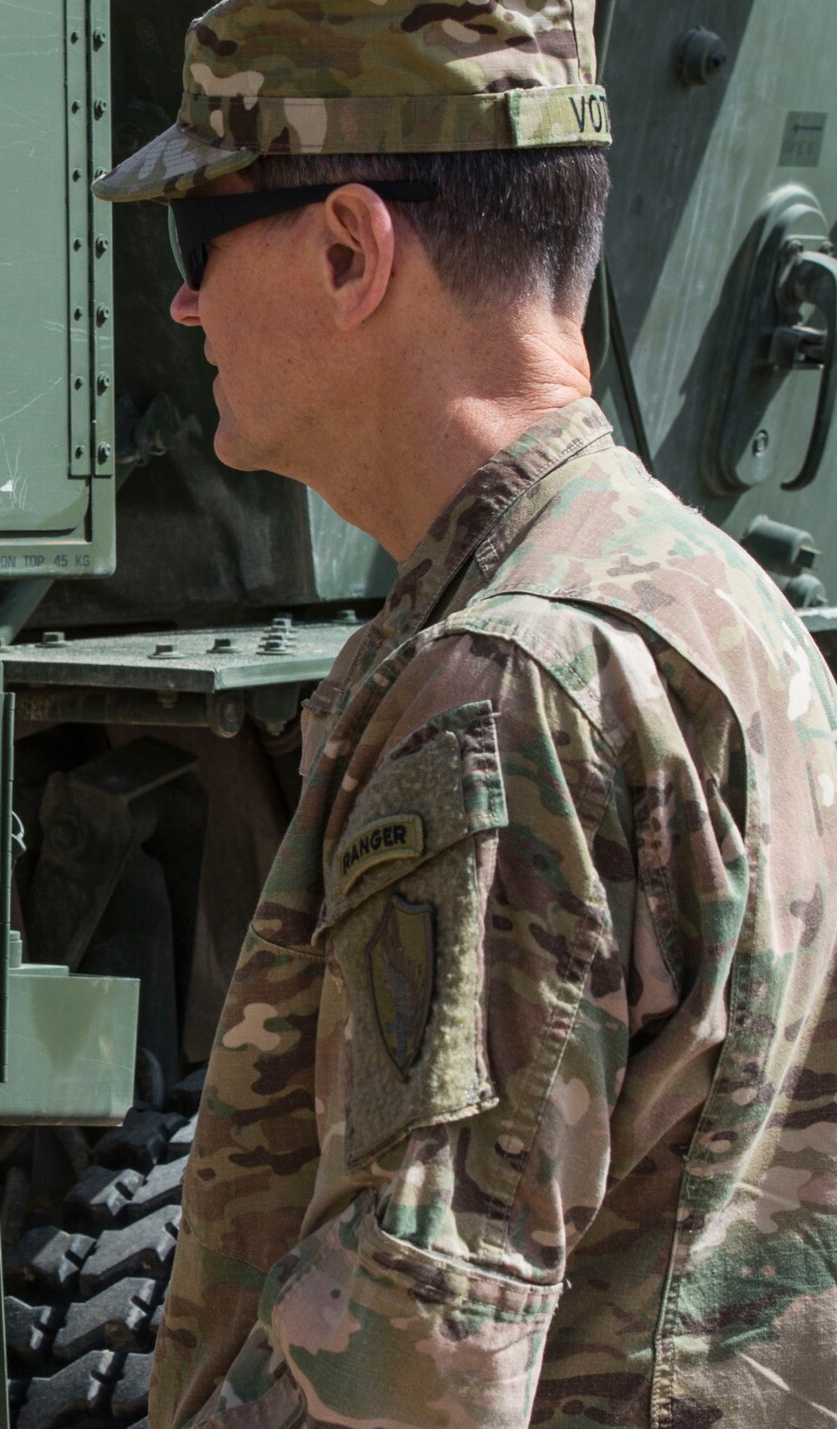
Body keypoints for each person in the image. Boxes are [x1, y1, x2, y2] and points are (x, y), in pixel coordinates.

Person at [96, 3, 837, 1424]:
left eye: (197, 237)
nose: (183, 303)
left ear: (347, 250)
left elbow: (413, 1364)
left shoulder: (510, 686)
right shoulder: (704, 595)